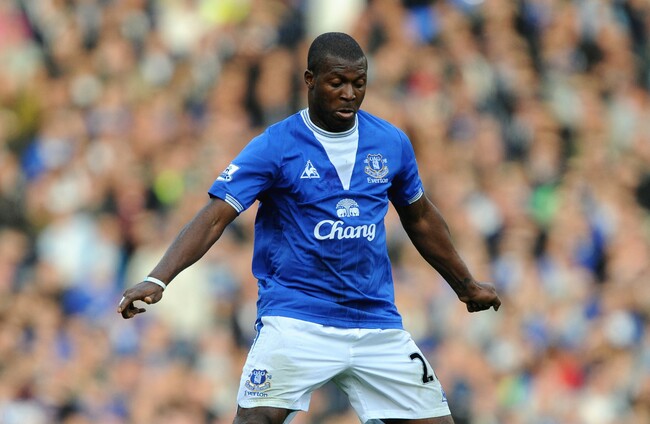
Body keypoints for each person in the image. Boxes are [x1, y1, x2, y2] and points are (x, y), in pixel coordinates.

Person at [117, 32, 501, 424]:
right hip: (297, 317)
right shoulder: (276, 145)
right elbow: (216, 215)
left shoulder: (390, 143)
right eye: (337, 83)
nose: (349, 94)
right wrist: (159, 278)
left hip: (375, 320)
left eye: (359, 83)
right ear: (310, 80)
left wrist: (465, 285)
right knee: (255, 420)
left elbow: (420, 218)